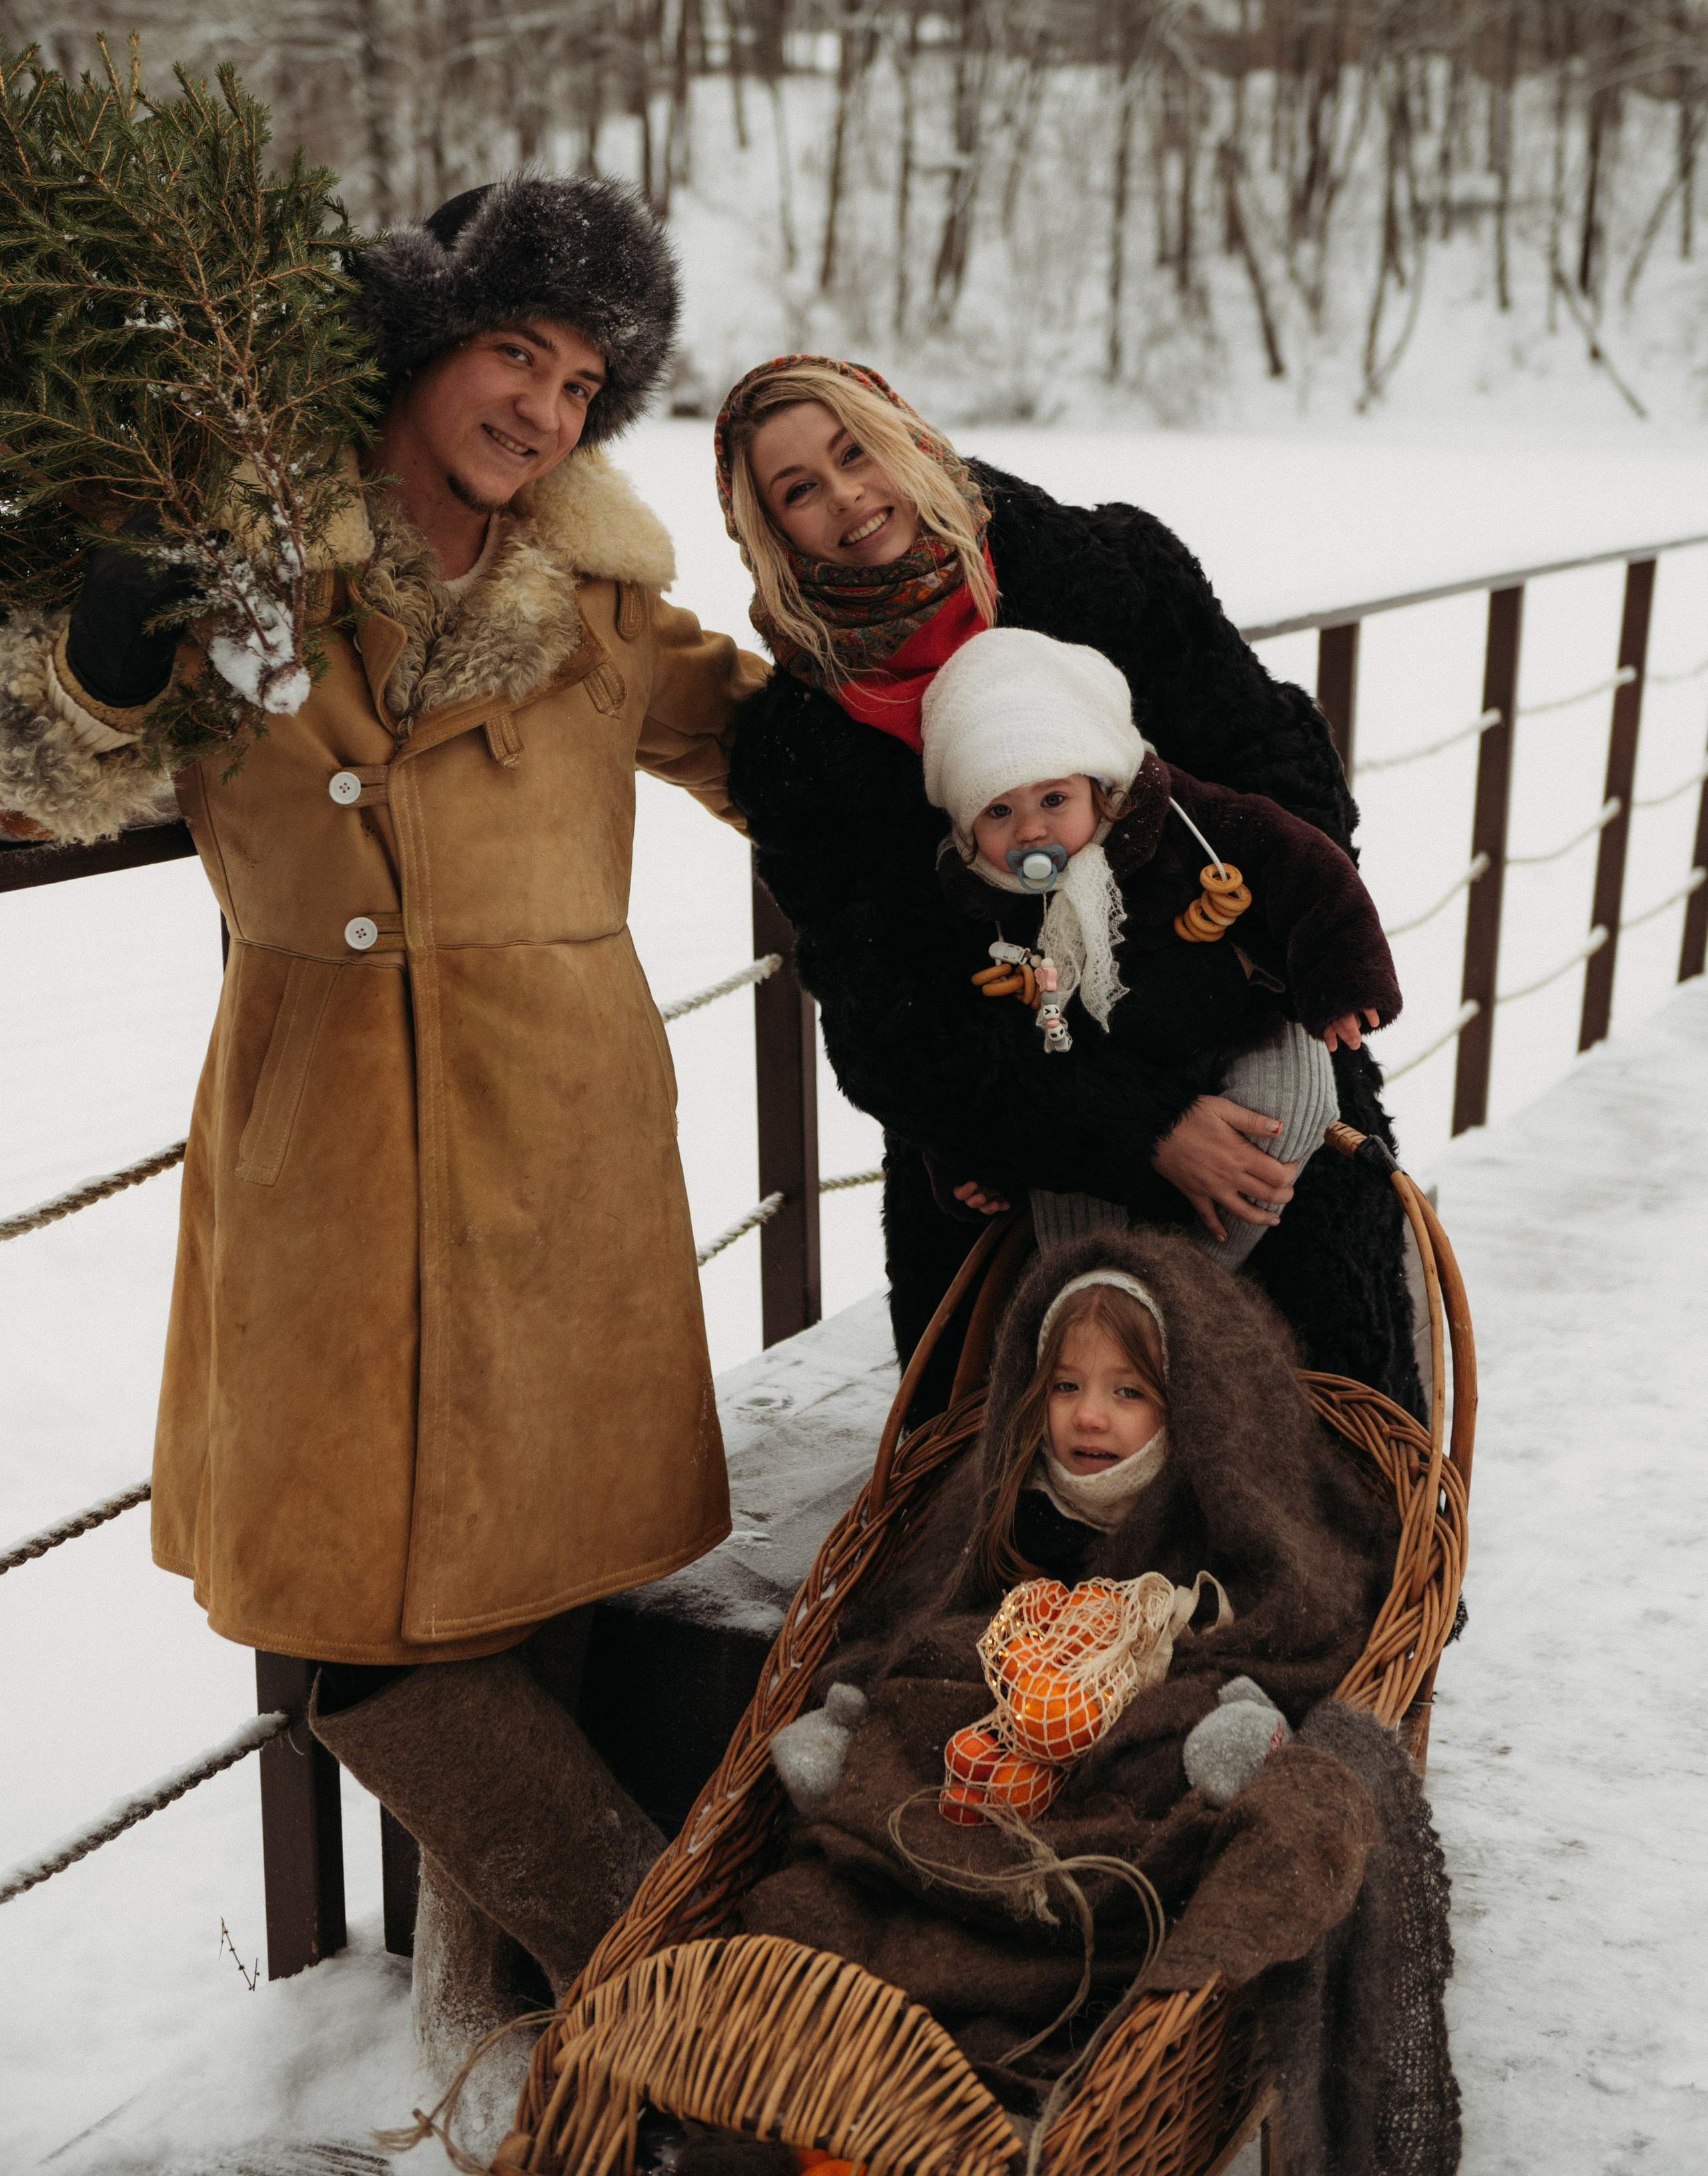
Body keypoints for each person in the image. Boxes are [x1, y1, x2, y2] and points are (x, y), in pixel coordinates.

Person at [0, 176, 767, 2077]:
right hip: (327, 1133)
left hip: (562, 1132)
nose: (543, 409)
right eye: (517, 351)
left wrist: (1014, 763)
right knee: (360, 1625)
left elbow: (781, 753)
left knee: (539, 1575)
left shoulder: (598, 598)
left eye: (584, 384)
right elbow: (48, 779)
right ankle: (685, 2008)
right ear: (425, 337)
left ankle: (503, 2034)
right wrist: (103, 653)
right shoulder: (241, 553)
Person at [713, 356, 1418, 1414]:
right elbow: (887, 1020)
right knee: (1031, 1470)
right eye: (799, 489)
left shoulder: (1111, 574)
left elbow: (1281, 771)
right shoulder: (800, 743)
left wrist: (1234, 990)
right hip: (1016, 1135)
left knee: (1324, 1438)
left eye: (856, 452)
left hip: (1257, 1061)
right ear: (771, 533)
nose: (847, 496)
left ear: (909, 439)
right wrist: (1142, 1124)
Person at [713, 1227, 1457, 2166]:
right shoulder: (1009, 1505)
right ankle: (829, 2054)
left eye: (1128, 1392)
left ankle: (992, 2052)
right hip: (974, 1781)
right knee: (838, 1862)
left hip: (1101, 1818)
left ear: (1190, 1405)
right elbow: (922, 1623)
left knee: (1158, 1834)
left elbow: (1287, 1636)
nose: (1089, 1417)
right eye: (1066, 1386)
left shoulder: (1210, 1519)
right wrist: (863, 1707)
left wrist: (1223, 1709)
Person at [919, 624, 1402, 1268]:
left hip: (1237, 1021)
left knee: (1293, 1103)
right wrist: (963, 1159)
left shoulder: (1178, 819)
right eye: (998, 812)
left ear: (1101, 786)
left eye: (1054, 799)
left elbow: (1301, 867)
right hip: (1097, 1074)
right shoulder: (977, 902)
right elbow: (956, 1039)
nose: (1031, 830)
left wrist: (1343, 977)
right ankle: (1099, 1295)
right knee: (1066, 1170)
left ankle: (1188, 1284)